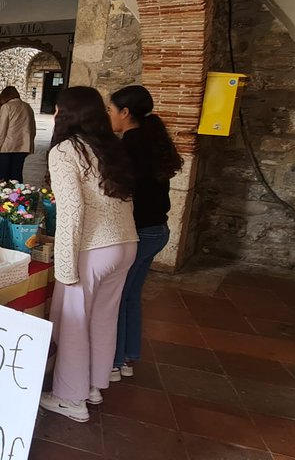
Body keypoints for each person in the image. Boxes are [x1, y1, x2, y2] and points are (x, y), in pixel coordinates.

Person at [39, 86, 137, 423]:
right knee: (103, 320)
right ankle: (94, 387)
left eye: (58, 110)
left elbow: (71, 210)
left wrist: (64, 267)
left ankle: (70, 398)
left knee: (75, 322)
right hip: (125, 244)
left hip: (92, 249)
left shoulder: (67, 151)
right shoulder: (109, 147)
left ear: (67, 115)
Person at [107, 85, 183, 382]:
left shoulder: (128, 146)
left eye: (111, 110)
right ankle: (127, 356)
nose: (109, 116)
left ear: (125, 113)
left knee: (117, 297)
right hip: (157, 230)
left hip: (137, 232)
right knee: (131, 296)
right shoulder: (153, 140)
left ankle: (113, 362)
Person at [0, 86, 36, 182]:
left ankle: (3, 196)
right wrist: (29, 144)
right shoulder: (28, 107)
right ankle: (17, 196)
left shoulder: (6, 107)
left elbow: (1, 130)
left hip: (6, 147)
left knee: (3, 177)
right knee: (17, 176)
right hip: (22, 147)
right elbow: (32, 128)